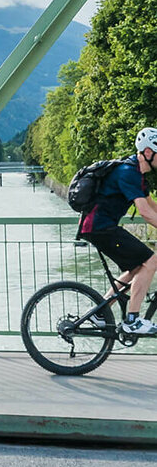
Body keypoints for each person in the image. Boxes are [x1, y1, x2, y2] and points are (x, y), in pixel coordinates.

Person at [79, 127, 157, 334]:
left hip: (100, 227)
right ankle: (133, 320)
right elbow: (145, 213)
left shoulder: (137, 175)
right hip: (99, 227)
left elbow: (153, 207)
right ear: (148, 153)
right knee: (151, 260)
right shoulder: (128, 173)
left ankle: (100, 312)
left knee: (136, 269)